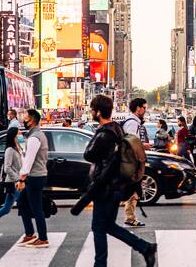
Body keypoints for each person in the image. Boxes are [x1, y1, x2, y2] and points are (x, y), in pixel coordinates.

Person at [82, 95, 157, 267]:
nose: (91, 112)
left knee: (98, 227)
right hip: (116, 186)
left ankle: (100, 264)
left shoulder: (105, 134)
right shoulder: (117, 129)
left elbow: (89, 154)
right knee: (108, 225)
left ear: (98, 112)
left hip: (105, 187)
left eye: (92, 110)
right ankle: (145, 247)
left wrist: (97, 133)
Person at [15, 109, 49, 247]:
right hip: (34, 176)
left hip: (35, 176)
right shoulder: (34, 135)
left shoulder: (35, 137)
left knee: (36, 208)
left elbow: (29, 160)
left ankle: (43, 238)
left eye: (26, 117)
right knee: (22, 203)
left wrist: (22, 179)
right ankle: (29, 234)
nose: (23, 120)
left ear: (32, 120)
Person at [122, 98, 151, 228]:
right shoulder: (132, 123)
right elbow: (130, 143)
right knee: (132, 189)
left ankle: (130, 216)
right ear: (138, 108)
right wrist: (144, 146)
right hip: (131, 161)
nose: (145, 110)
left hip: (132, 161)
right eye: (144, 108)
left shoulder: (134, 122)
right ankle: (130, 217)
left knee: (133, 189)